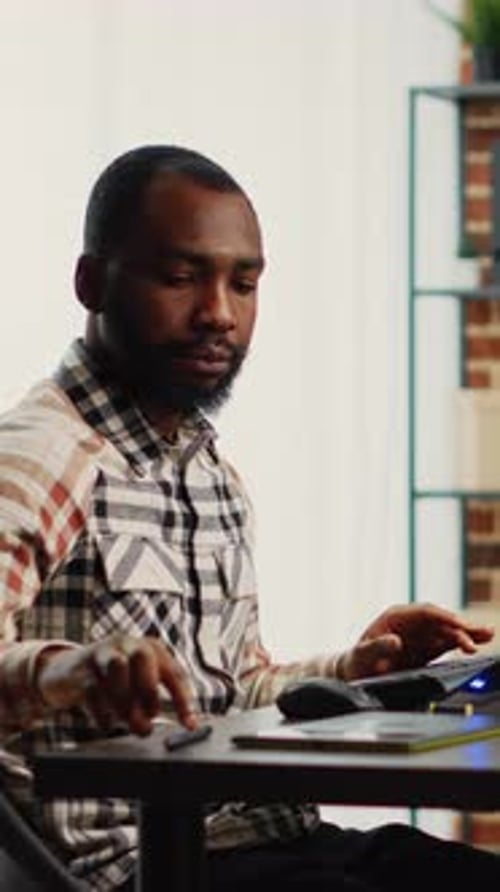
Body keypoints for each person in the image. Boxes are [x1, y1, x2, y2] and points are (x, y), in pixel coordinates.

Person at [0, 144, 498, 892]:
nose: (219, 315)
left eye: (244, 284)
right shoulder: (47, 455)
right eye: (180, 278)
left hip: (267, 836)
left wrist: (357, 669)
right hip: (147, 869)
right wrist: (68, 673)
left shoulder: (210, 475)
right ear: (90, 282)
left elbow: (233, 693)